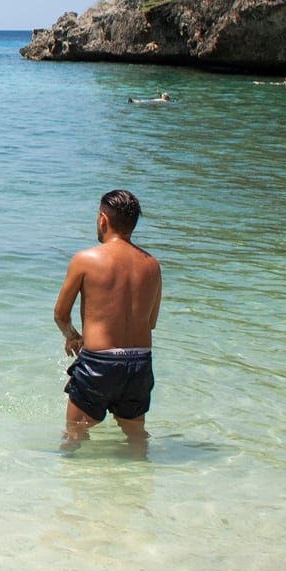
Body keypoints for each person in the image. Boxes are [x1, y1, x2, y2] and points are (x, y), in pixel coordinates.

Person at [54, 189, 161, 447]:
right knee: (136, 437)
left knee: (73, 436)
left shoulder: (85, 260)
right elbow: (151, 322)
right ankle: (137, 482)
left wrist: (73, 337)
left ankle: (71, 482)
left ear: (103, 219)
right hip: (139, 364)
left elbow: (60, 314)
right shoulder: (152, 265)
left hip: (99, 365)